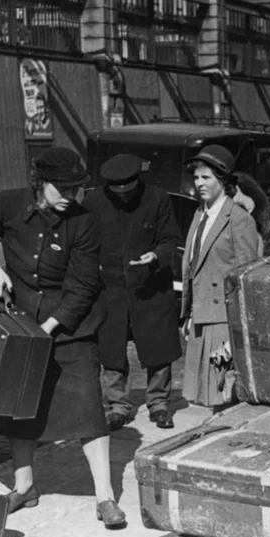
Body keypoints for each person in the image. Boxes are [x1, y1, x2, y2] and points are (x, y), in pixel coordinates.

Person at [0, 147, 126, 528]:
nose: (71, 195)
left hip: (72, 325)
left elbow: (84, 287)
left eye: (77, 187)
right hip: (21, 320)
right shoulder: (9, 204)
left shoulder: (84, 222)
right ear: (40, 184)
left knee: (88, 407)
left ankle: (105, 497)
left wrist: (48, 328)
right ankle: (24, 486)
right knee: (20, 404)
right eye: (62, 187)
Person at [82, 153, 182, 431]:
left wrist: (156, 256)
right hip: (110, 288)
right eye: (118, 193)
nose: (124, 198)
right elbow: (83, 241)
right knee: (111, 347)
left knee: (157, 345)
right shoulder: (93, 202)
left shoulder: (158, 199)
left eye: (129, 192)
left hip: (151, 287)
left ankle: (159, 403)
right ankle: (118, 405)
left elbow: (171, 238)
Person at [181, 145, 260, 411]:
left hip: (224, 319)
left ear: (223, 181)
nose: (199, 183)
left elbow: (246, 277)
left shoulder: (238, 220)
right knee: (207, 392)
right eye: (196, 177)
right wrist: (189, 312)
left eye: (207, 178)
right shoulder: (198, 214)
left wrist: (236, 329)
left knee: (223, 388)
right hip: (201, 314)